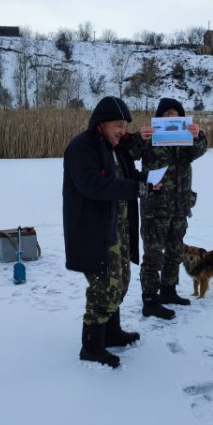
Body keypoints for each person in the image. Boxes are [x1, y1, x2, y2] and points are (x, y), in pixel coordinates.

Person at [63, 96, 161, 368]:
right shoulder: (81, 148)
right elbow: (93, 186)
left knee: (121, 282)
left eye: (125, 125)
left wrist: (149, 181)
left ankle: (112, 332)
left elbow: (127, 178)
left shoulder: (117, 148)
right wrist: (137, 189)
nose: (123, 130)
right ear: (101, 124)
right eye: (118, 125)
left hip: (118, 230)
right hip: (93, 232)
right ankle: (92, 346)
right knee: (104, 286)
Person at [127, 98, 207, 319]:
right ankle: (150, 300)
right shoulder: (150, 137)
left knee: (175, 252)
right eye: (166, 114)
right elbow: (129, 154)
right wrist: (140, 138)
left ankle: (169, 291)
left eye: (175, 113)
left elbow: (199, 150)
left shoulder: (186, 139)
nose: (171, 117)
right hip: (155, 207)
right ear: (160, 117)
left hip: (180, 207)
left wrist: (197, 135)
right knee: (153, 256)